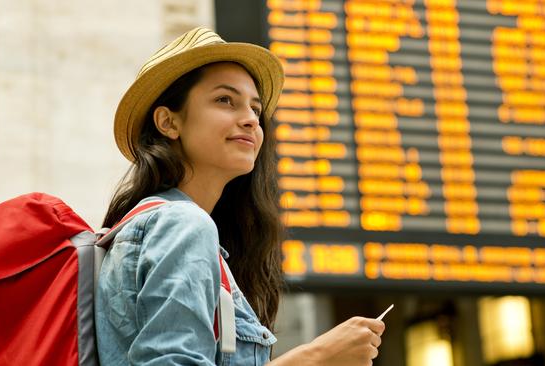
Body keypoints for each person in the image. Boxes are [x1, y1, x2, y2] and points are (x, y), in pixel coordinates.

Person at [96, 27, 385, 365]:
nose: (250, 119)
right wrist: (317, 356)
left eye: (255, 109)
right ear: (168, 122)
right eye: (225, 100)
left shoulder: (157, 226)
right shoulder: (182, 224)